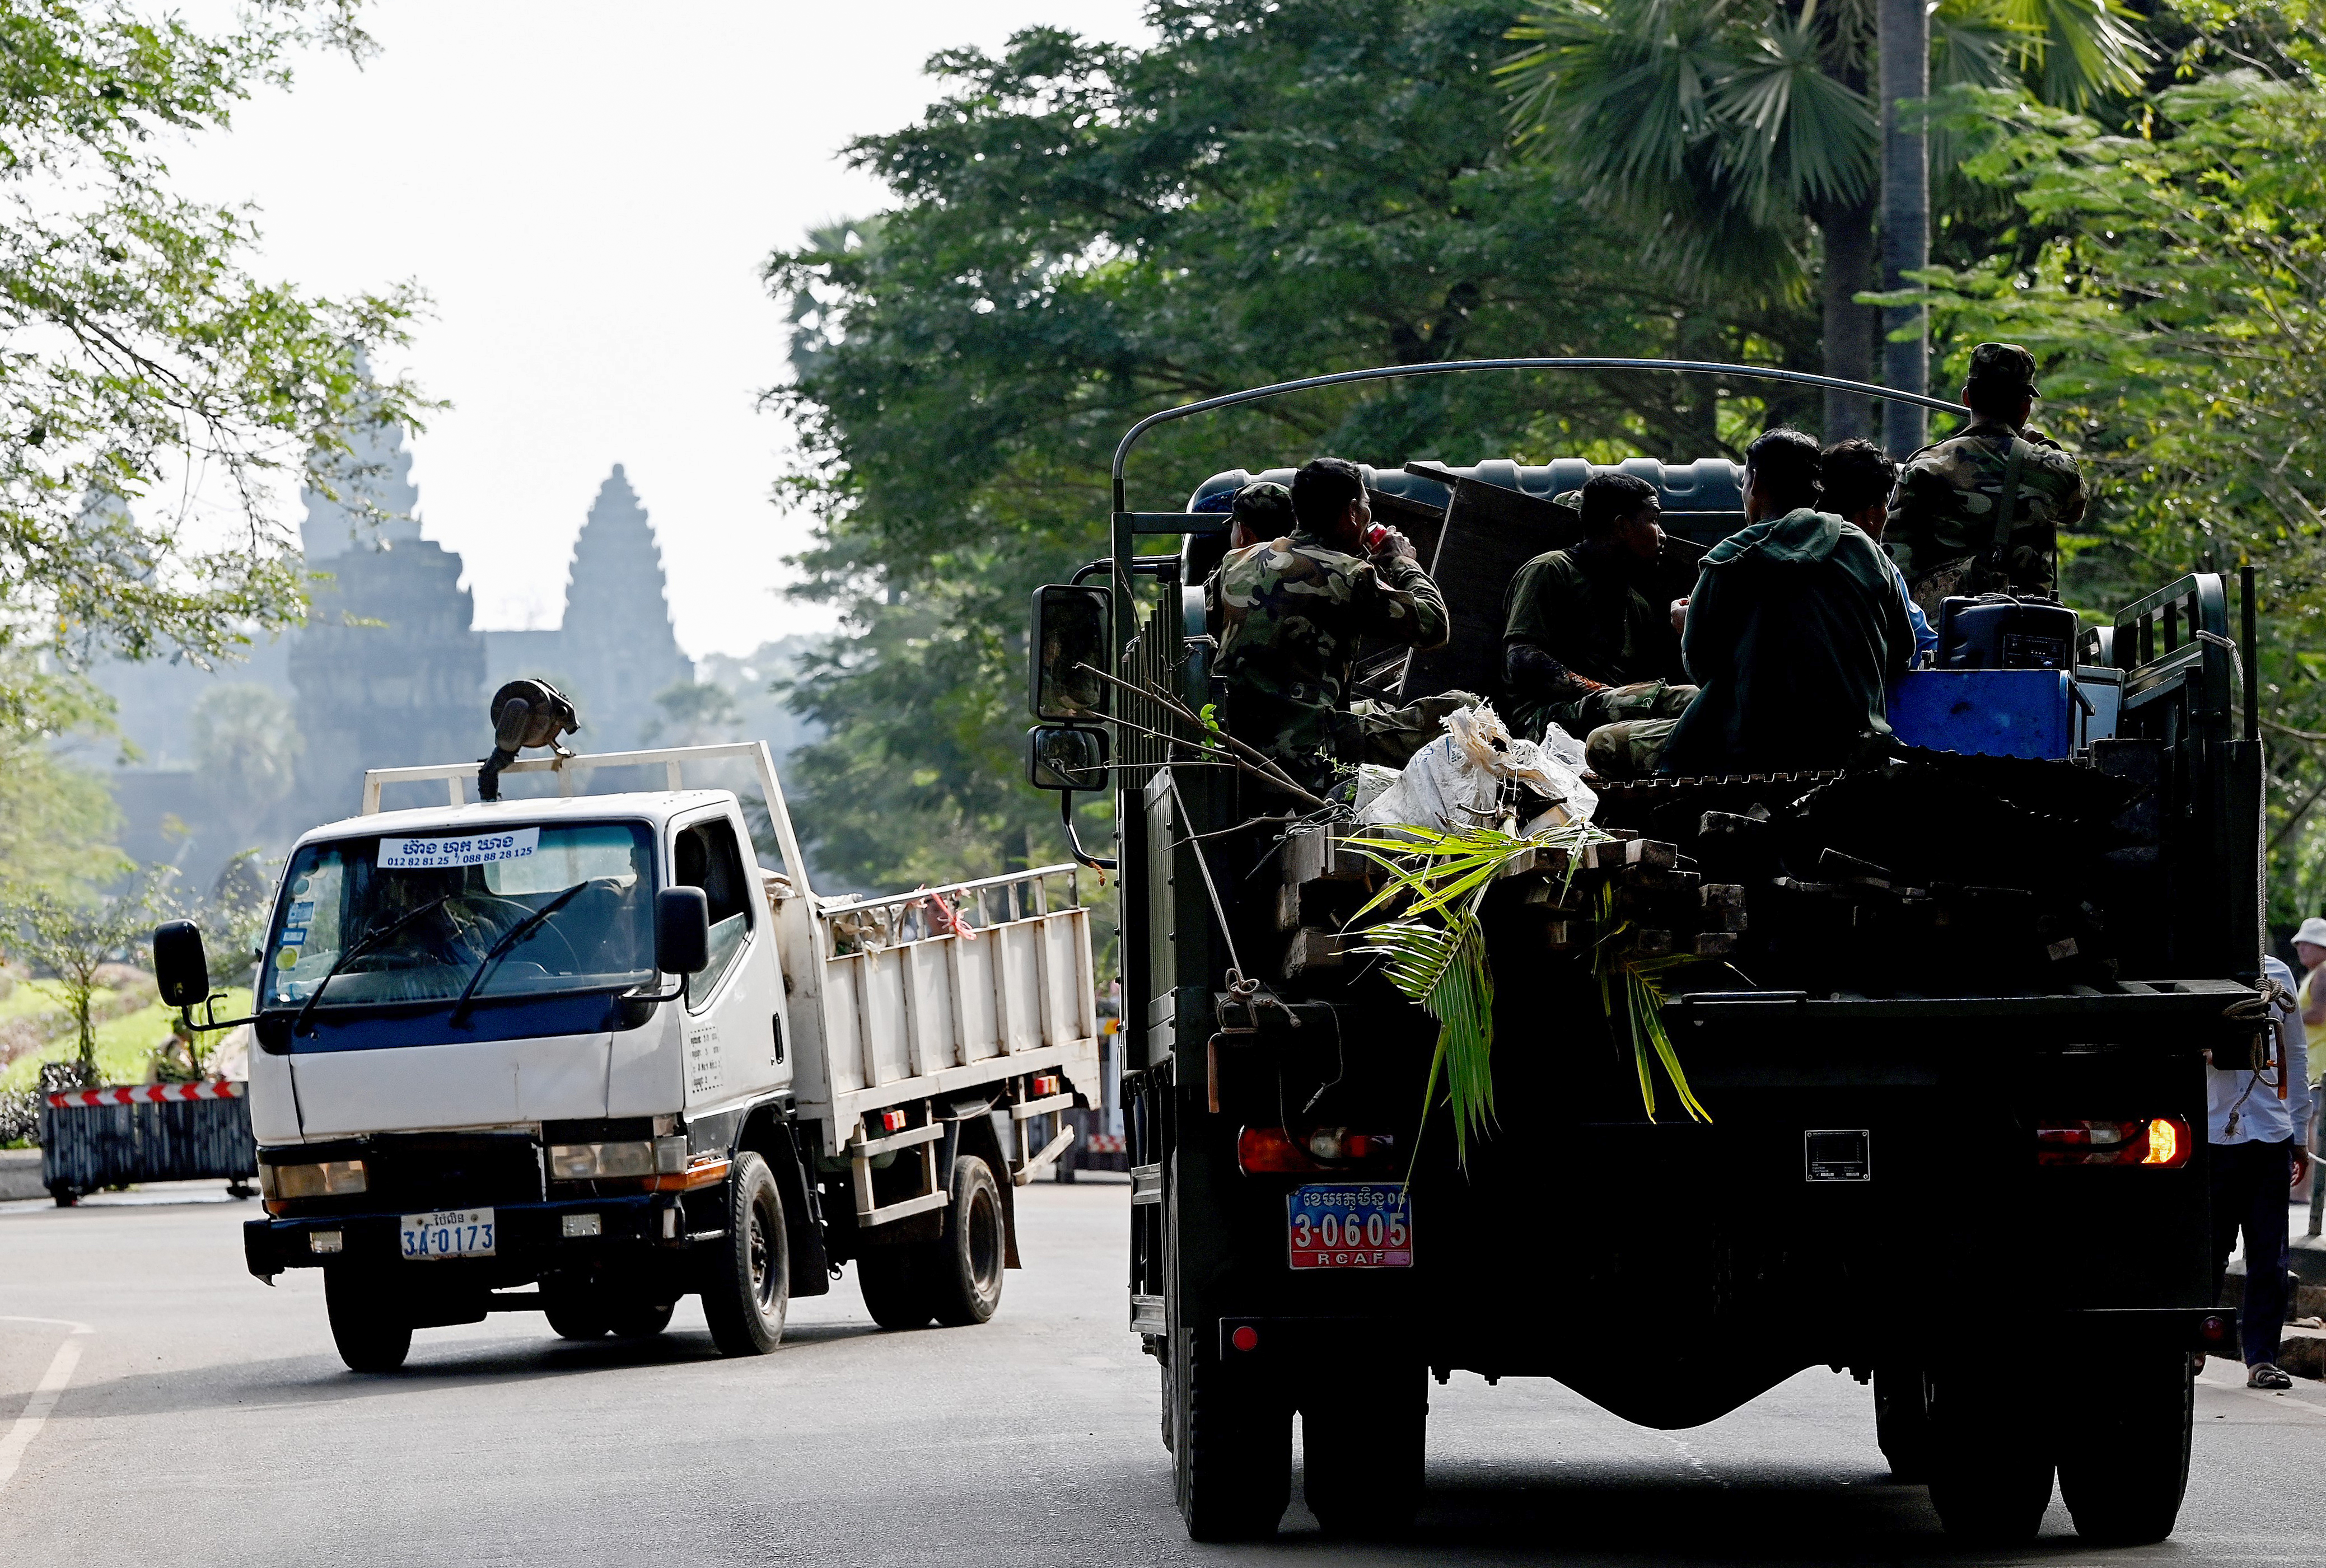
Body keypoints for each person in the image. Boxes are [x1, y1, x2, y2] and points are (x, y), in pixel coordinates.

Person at [1656, 428, 1917, 777]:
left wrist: (1686, 624)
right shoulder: (1863, 548)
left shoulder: (1728, 561)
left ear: (1756, 483)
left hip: (1755, 756)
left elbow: (1703, 669)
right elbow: (1902, 649)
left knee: (1604, 742)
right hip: (1858, 750)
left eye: (1745, 482)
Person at [1211, 457, 1450, 792]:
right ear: (1353, 512)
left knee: (1373, 707)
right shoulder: (1350, 576)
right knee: (1458, 709)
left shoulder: (1236, 562)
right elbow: (1435, 627)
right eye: (1366, 506)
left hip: (1236, 749)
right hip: (1310, 758)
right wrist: (1403, 563)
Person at [1501, 471, 1695, 770]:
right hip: (1545, 723)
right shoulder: (1551, 570)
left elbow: (1644, 681)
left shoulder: (1635, 602)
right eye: (1653, 519)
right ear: (1622, 527)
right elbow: (1522, 661)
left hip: (1608, 720)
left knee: (1697, 706)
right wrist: (1604, 693)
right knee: (1686, 701)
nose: (1662, 534)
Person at [1885, 341, 2087, 616]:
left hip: (1944, 639)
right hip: (2030, 632)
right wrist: (2038, 449)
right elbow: (2075, 511)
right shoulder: (2056, 467)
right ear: (2025, 407)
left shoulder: (1924, 466)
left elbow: (1894, 564)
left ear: (1967, 397)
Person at [2206, 952, 2314, 1388]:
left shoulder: (2277, 974)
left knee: (2269, 1257)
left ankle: (2262, 1357)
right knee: (2209, 1251)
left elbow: (2296, 1053)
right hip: (2209, 1132)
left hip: (2270, 1133)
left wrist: (2300, 1132)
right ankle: (2193, 1342)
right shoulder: (2187, 976)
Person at [1821, 438, 1936, 668]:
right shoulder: (1878, 568)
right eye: (1885, 505)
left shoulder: (1782, 556)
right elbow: (1922, 644)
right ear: (1871, 513)